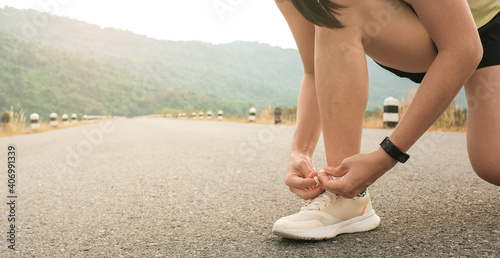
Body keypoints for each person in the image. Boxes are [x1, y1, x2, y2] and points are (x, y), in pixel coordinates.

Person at [272, 0, 500, 240]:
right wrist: (300, 152)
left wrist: (386, 157)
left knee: (492, 164)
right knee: (338, 9)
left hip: (486, 27)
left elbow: (463, 48)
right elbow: (314, 70)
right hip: (414, 30)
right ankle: (346, 198)